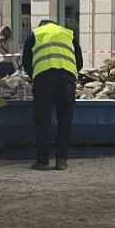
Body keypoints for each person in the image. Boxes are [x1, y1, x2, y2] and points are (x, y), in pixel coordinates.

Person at [23, 17, 82, 170]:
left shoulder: (35, 34)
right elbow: (80, 62)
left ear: (41, 26)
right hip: (67, 79)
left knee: (43, 120)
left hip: (44, 79)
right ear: (55, 25)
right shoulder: (69, 34)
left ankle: (42, 161)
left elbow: (26, 62)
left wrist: (34, 76)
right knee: (65, 120)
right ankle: (61, 160)